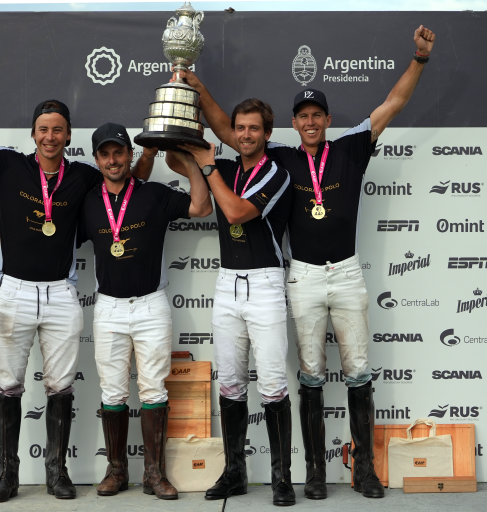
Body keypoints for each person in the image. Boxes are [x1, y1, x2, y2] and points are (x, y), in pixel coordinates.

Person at [171, 25, 436, 500]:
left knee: (358, 371)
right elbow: (227, 130)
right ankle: (314, 473)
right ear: (293, 124)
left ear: (328, 119)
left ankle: (365, 470)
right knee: (310, 374)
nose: (310, 122)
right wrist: (198, 87)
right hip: (304, 276)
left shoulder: (352, 146)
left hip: (347, 271)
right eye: (303, 116)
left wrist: (419, 59)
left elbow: (392, 103)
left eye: (317, 115)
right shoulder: (281, 158)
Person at [0, 64, 154, 503]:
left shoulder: (85, 176)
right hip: (15, 290)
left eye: (58, 130)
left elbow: (130, 183)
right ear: (33, 134)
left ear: (68, 135)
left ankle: (57, 473)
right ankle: (7, 475)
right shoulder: (8, 165)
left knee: (61, 387)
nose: (50, 137)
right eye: (43, 129)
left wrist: (151, 146)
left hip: (60, 293)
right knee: (8, 385)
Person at [166, 99, 295, 507]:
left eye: (254, 128)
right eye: (239, 128)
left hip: (265, 283)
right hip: (227, 284)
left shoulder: (276, 173)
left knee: (272, 386)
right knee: (231, 385)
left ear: (267, 134)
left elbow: (236, 212)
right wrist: (188, 139)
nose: (245, 135)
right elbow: (174, 160)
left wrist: (208, 167)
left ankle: (282, 478)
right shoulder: (225, 167)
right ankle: (235, 473)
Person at [77, 123, 212, 500]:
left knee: (153, 389)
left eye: (118, 152)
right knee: (112, 391)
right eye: (105, 154)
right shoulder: (88, 202)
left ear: (130, 154)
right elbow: (55, 237)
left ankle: (154, 474)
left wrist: (192, 162)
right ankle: (116, 470)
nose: (112, 160)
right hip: (109, 308)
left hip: (151, 305)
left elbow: (201, 207)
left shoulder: (153, 193)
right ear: (97, 160)